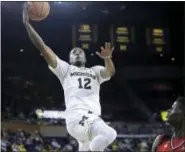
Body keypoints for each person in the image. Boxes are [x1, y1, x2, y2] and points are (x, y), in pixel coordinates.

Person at [23, 3, 117, 151]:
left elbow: (110, 72)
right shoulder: (65, 69)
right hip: (79, 116)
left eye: (80, 51)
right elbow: (43, 47)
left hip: (89, 120)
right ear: (70, 59)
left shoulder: (95, 71)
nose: (77, 52)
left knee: (87, 145)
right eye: (74, 52)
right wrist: (27, 25)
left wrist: (107, 59)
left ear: (85, 58)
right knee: (110, 134)